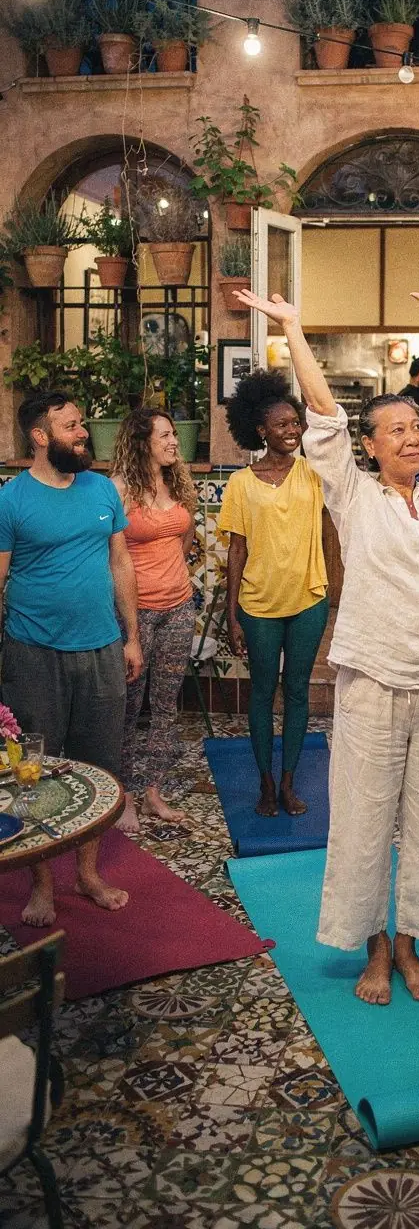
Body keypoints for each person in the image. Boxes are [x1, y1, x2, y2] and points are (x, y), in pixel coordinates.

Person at [235, 284, 419, 1006]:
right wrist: (292, 327)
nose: (412, 438)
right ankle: (374, 950)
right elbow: (321, 413)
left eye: (417, 426)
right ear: (371, 446)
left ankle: (410, 945)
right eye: (395, 431)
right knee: (364, 819)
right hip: (375, 682)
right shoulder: (351, 494)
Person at [0, 391, 142, 927]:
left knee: (100, 764)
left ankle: (87, 874)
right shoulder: (11, 500)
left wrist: (131, 637)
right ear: (40, 437)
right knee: (34, 771)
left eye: (81, 424)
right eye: (71, 427)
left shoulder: (102, 488)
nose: (84, 434)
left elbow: (121, 563)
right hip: (33, 652)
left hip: (102, 647)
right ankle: (42, 885)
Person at [219, 370, 329, 817]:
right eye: (282, 425)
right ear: (261, 430)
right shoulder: (241, 484)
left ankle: (288, 783)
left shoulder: (315, 473)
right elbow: (236, 551)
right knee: (263, 692)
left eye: (296, 423)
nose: (292, 431)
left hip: (308, 599)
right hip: (258, 604)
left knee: (297, 691)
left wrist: (339, 589)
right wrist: (231, 615)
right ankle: (265, 782)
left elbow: (331, 536)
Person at [111, 408, 197, 834]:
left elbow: (185, 535)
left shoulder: (177, 483)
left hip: (180, 609)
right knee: (129, 709)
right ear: (142, 440)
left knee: (165, 707)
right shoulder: (119, 491)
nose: (173, 442)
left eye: (174, 434)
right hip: (135, 614)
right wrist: (130, 632)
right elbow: (112, 556)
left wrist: (173, 577)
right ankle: (124, 796)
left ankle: (153, 791)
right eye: (164, 435)